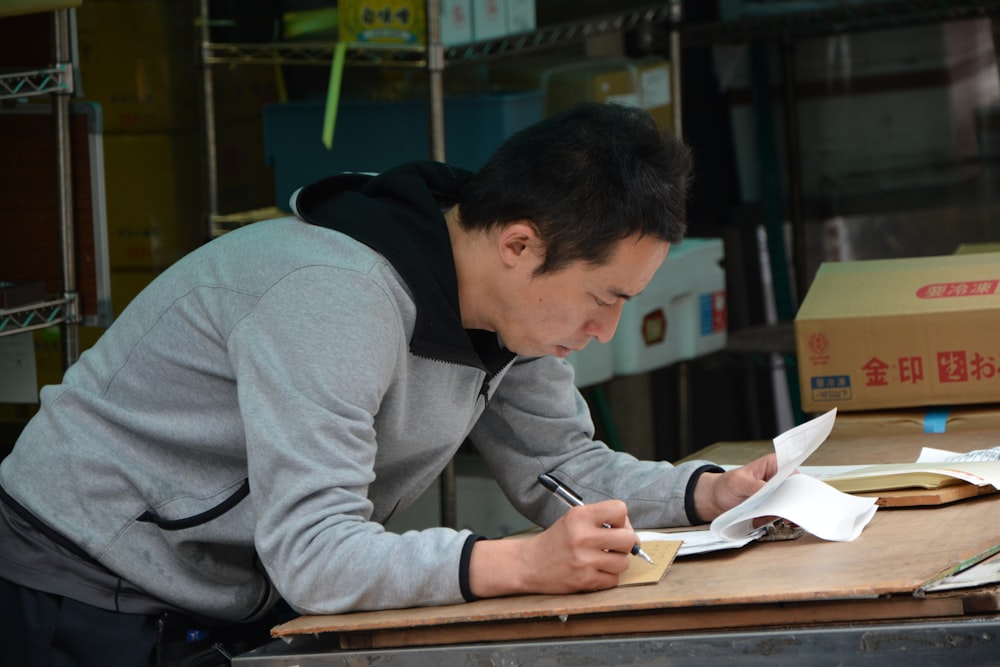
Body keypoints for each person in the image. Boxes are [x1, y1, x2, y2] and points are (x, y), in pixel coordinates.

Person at [0, 101, 777, 665]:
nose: (605, 329)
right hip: (80, 582)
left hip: (218, 586)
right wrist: (517, 564)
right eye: (605, 297)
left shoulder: (507, 307)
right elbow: (315, 550)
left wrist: (708, 494)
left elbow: (563, 469)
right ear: (519, 242)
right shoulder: (332, 297)